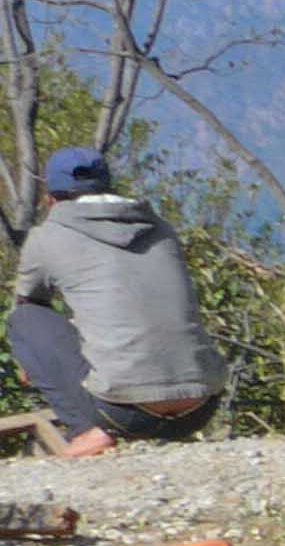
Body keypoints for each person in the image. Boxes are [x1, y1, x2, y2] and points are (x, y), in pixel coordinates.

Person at [10, 147, 227, 457]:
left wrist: (30, 362)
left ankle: (87, 432)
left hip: (125, 414)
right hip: (202, 405)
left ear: (50, 198)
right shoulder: (161, 228)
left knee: (24, 321)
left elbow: (29, 302)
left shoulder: (48, 236)